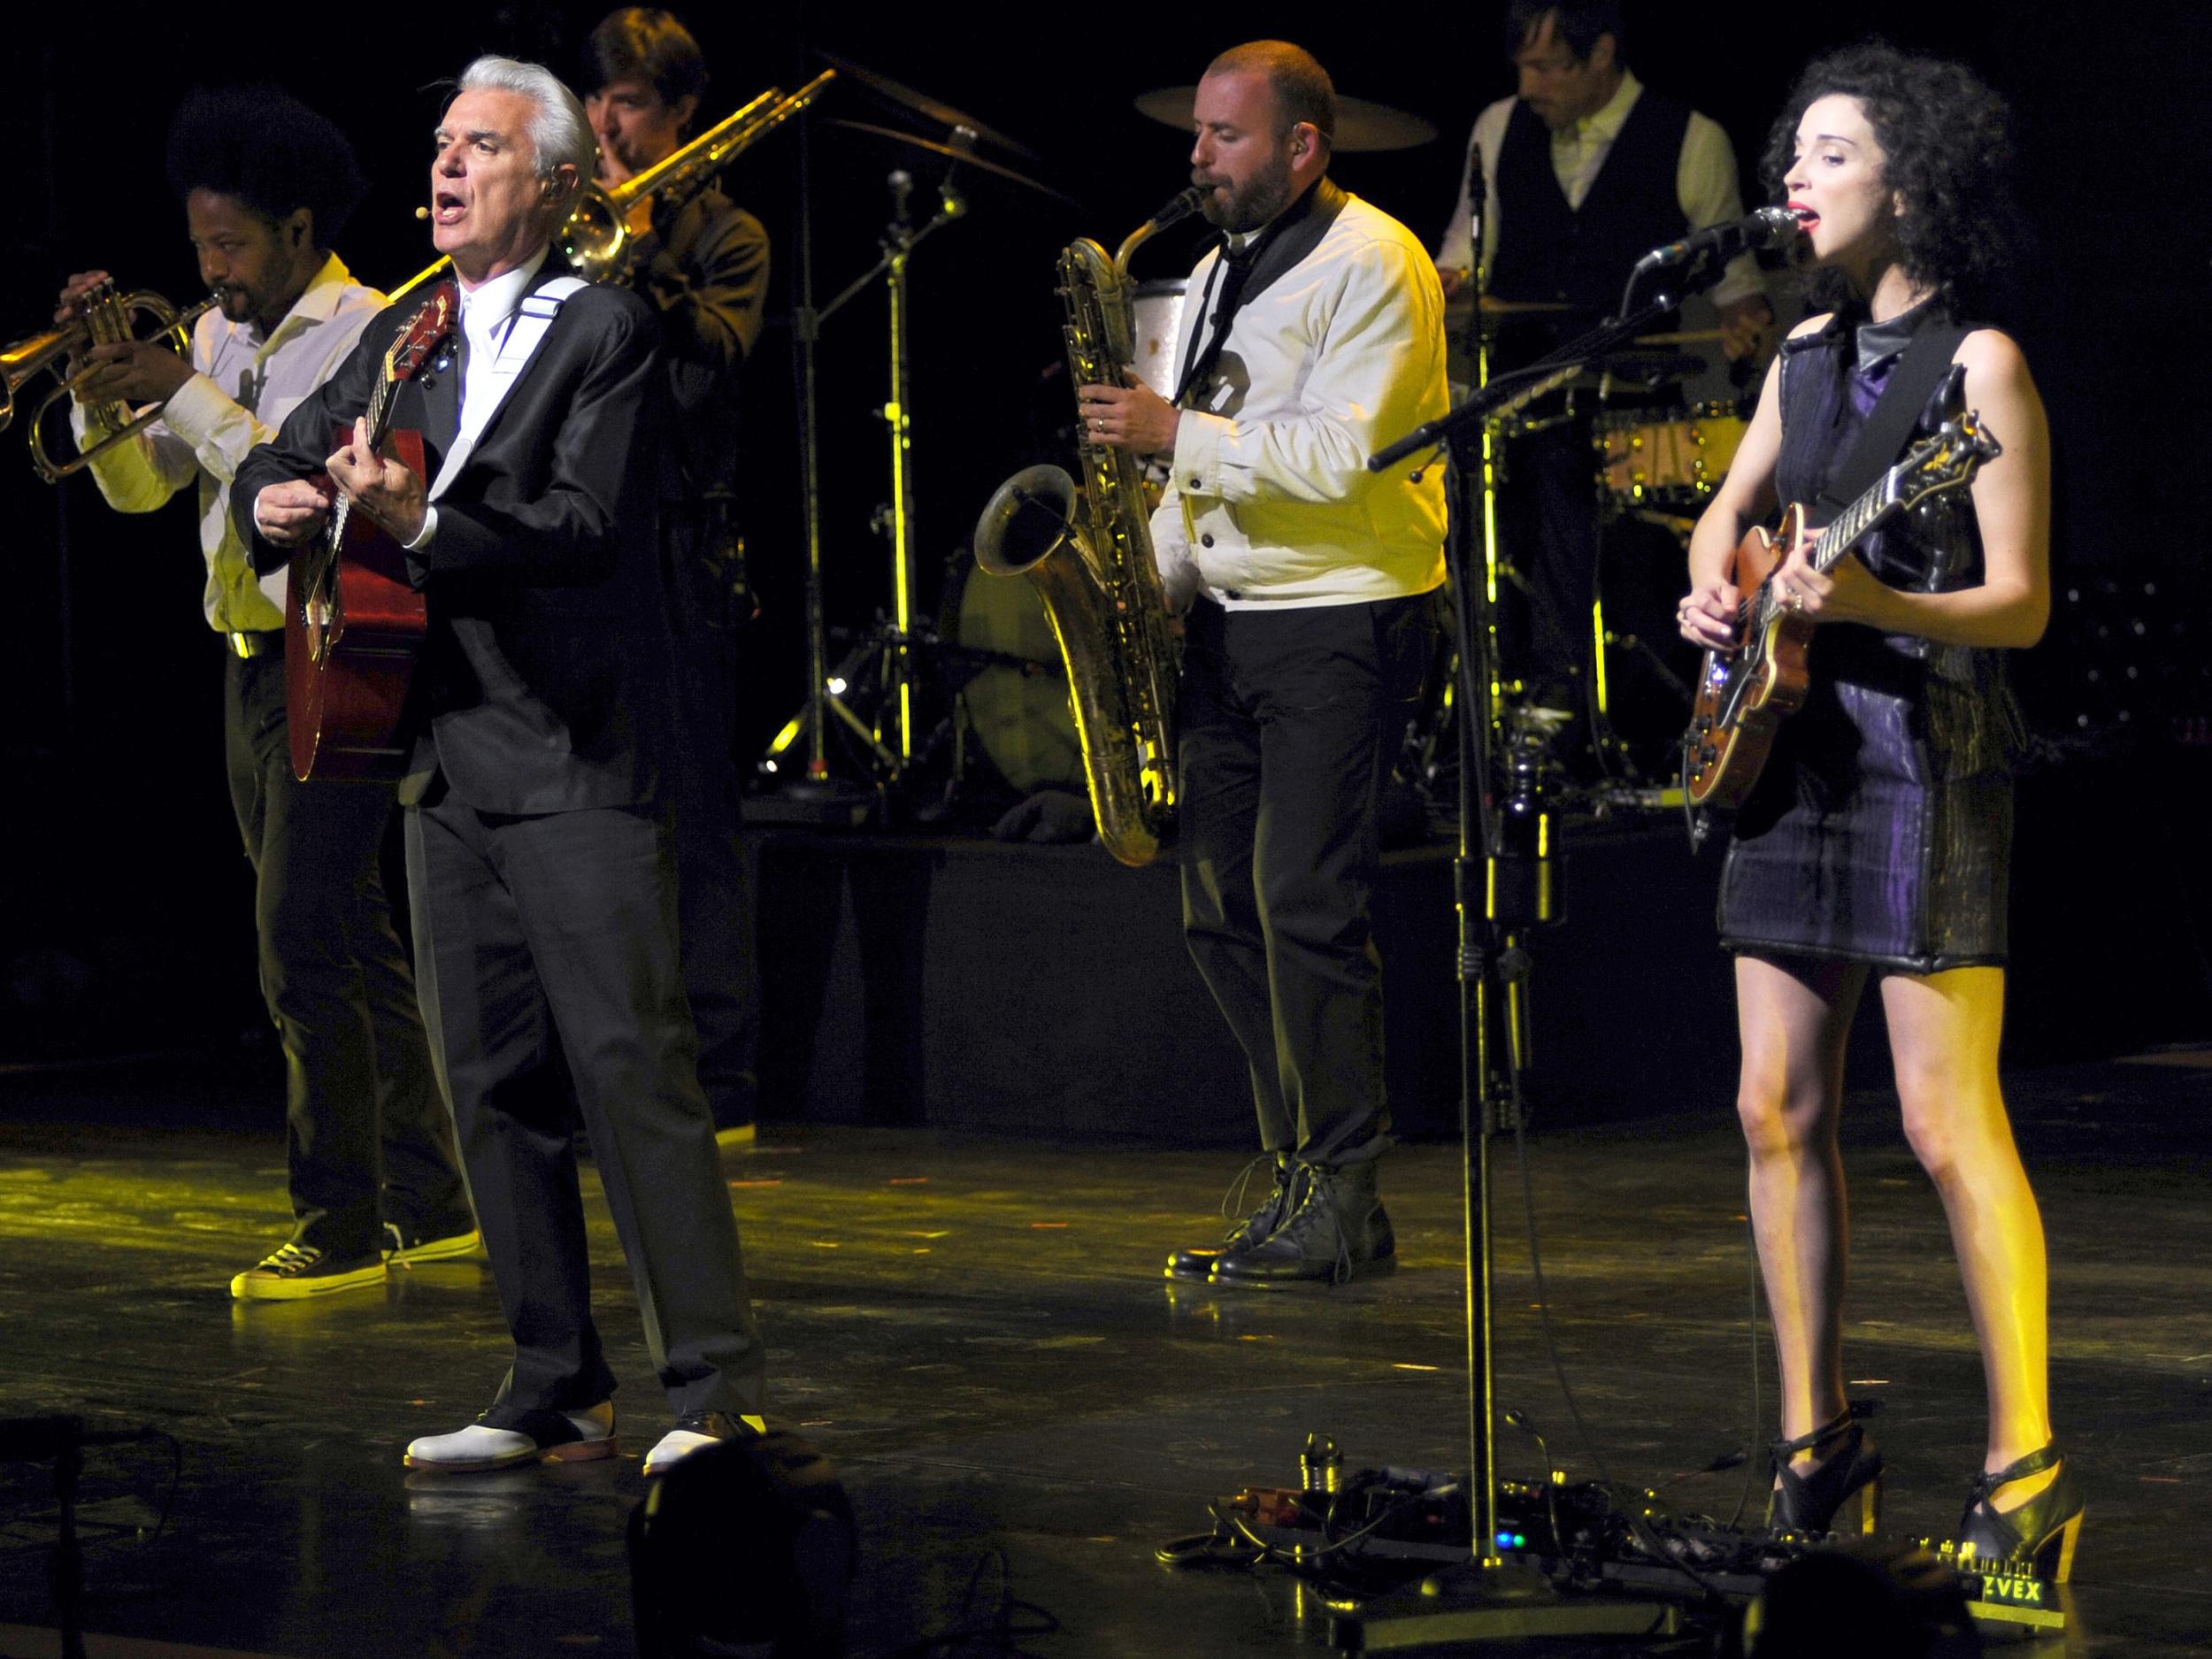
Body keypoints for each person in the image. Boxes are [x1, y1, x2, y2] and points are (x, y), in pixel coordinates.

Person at [236, 56, 764, 1477]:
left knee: (628, 1067)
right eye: (441, 144)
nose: (447, 168)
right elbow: (278, 450)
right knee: (488, 1081)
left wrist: (420, 523)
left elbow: (585, 521)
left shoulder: (606, 329)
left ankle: (711, 1390)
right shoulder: (408, 333)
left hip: (575, 749)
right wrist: (270, 495)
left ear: (554, 178)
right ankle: (553, 1381)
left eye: (480, 147)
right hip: (439, 754)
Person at [1678, 43, 2079, 1580]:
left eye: (1829, 154)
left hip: (1923, 745)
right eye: (1793, 152)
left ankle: (2026, 1463)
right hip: (1787, 747)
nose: (1795, 175)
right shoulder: (1794, 356)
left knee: (1936, 1117)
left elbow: (2026, 605)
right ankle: (1813, 1439)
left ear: (1908, 184)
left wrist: (1865, 598)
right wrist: (1719, 586)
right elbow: (1728, 514)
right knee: (1770, 1106)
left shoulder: (1978, 371)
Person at [61, 88, 472, 1301]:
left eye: (229, 245)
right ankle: (436, 1198)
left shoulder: (370, 325)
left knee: (298, 941)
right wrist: (100, 392)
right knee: (344, 934)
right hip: (245, 665)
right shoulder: (220, 337)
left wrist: (176, 384)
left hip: (338, 655)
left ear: (297, 229)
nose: (209, 270)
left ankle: (338, 1215)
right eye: (198, 247)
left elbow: (313, 481)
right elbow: (146, 495)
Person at [1079, 40, 1445, 1286]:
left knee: (1303, 899)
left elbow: (1348, 453)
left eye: (1225, 137)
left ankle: (1348, 1191)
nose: (1197, 159)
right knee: (1216, 903)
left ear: (1303, 145)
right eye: (1197, 136)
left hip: (1340, 611)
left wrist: (1176, 428)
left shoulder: (1376, 259)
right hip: (1229, 617)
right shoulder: (1222, 262)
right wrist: (1157, 578)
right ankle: (1298, 1165)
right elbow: (1191, 459)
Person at [1436, 1, 1773, 722]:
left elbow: (1736, 286)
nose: (1528, 85)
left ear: (1602, 56)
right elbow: (1464, 262)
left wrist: (1746, 321)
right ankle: (1478, 695)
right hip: (1521, 394)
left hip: (1634, 399)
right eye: (1520, 66)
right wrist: (1448, 283)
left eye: (1546, 66)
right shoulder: (1498, 128)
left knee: (1568, 479)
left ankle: (1567, 699)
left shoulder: (1692, 138)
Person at [582, 6, 772, 1148]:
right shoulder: (572, 228)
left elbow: (716, 371)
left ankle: (727, 1078)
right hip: (591, 543)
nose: (607, 122)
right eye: (598, 97)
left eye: (633, 102)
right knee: (599, 818)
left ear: (683, 113)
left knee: (693, 820)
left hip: (685, 550)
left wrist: (643, 249)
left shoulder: (725, 234)